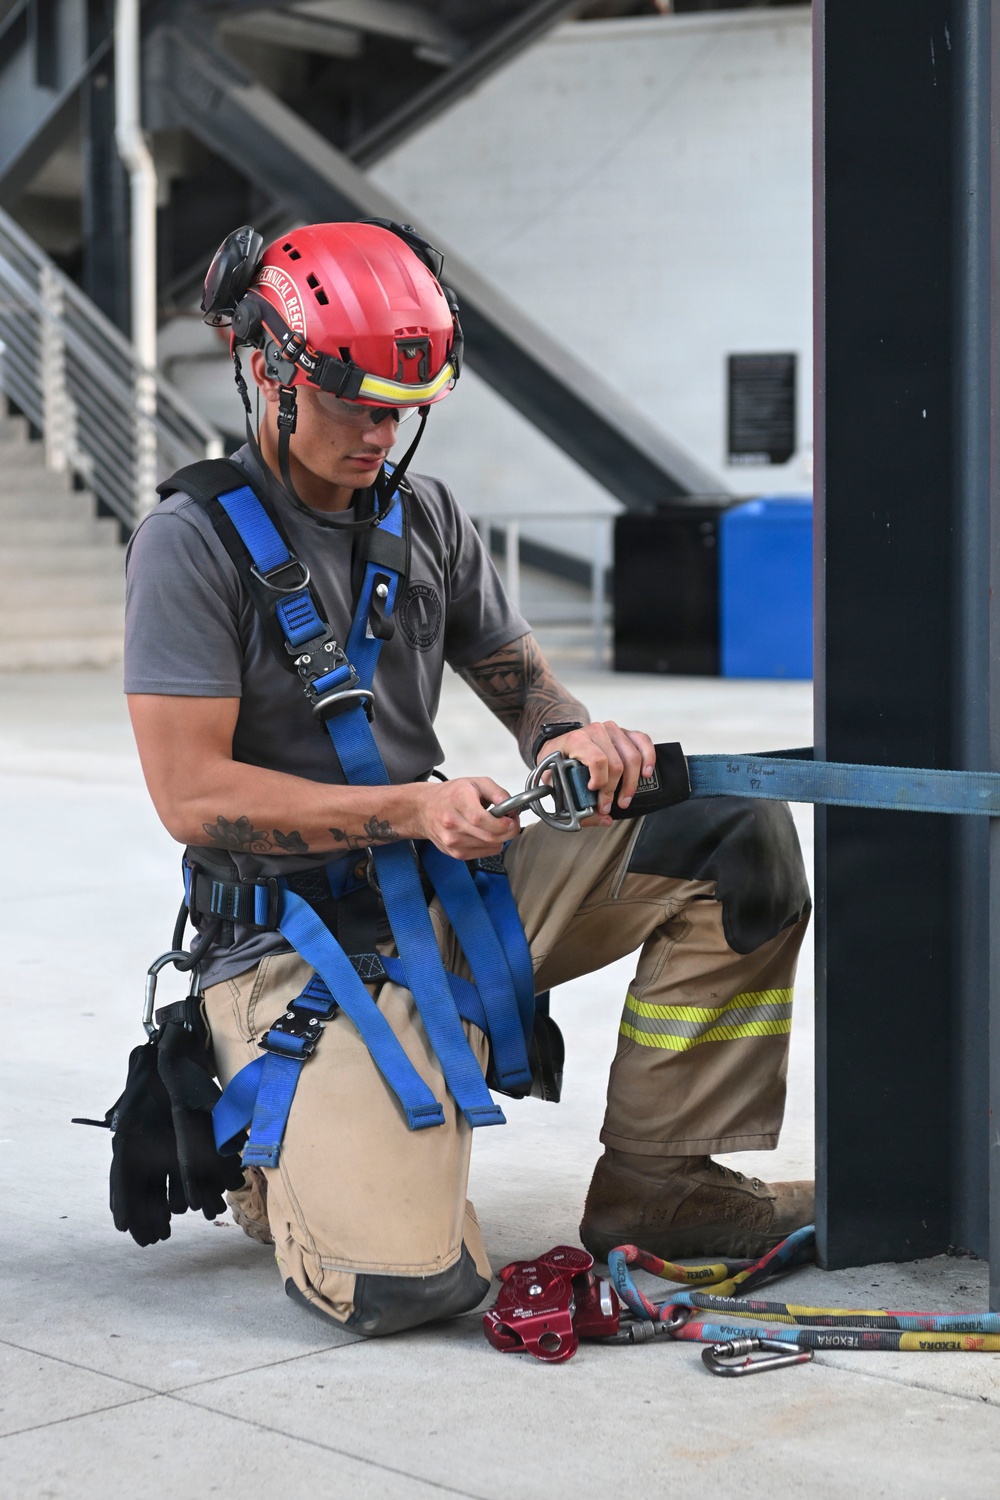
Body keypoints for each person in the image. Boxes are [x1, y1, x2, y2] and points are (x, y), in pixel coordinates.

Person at [123, 219, 812, 1335]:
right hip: (287, 952)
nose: (379, 431)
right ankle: (272, 1161)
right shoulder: (190, 541)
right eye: (352, 401)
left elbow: (527, 689)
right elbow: (190, 797)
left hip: (438, 894)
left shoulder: (425, 519)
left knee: (730, 836)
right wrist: (411, 806)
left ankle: (663, 1183)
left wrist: (569, 743)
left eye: (404, 405)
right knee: (412, 1284)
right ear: (269, 368)